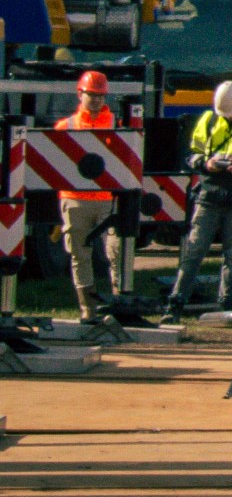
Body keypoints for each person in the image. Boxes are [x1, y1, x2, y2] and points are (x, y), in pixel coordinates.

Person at [166, 79, 232, 312]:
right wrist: (207, 163)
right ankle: (176, 302)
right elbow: (191, 155)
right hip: (209, 194)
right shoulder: (208, 121)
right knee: (194, 251)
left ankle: (226, 305)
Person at [52, 68, 121, 324]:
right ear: (79, 94)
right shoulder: (65, 127)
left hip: (106, 200)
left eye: (100, 95)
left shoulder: (116, 126)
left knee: (116, 252)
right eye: (91, 94)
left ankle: (117, 305)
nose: (95, 99)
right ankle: (89, 309)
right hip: (75, 199)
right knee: (80, 255)